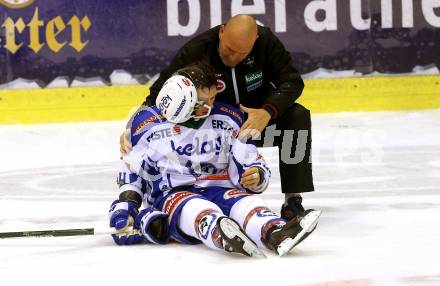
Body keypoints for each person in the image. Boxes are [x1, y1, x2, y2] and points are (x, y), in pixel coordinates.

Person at [110, 64, 320, 257]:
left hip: (220, 189)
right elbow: (133, 170)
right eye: (205, 102)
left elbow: (249, 156)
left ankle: (275, 232)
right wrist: (126, 204)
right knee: (196, 209)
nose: (212, 105)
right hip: (173, 195)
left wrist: (257, 174)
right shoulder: (146, 125)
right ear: (184, 103)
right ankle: (220, 233)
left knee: (249, 203)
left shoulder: (229, 118)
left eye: (213, 99)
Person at [121, 14, 314, 220]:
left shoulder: (267, 43)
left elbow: (292, 82)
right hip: (219, 133)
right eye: (229, 50)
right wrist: (134, 128)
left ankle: (293, 200)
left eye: (242, 53)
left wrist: (267, 112)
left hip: (254, 126)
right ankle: (210, 198)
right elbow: (162, 93)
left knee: (298, 117)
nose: (233, 58)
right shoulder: (197, 50)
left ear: (255, 41)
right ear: (221, 32)